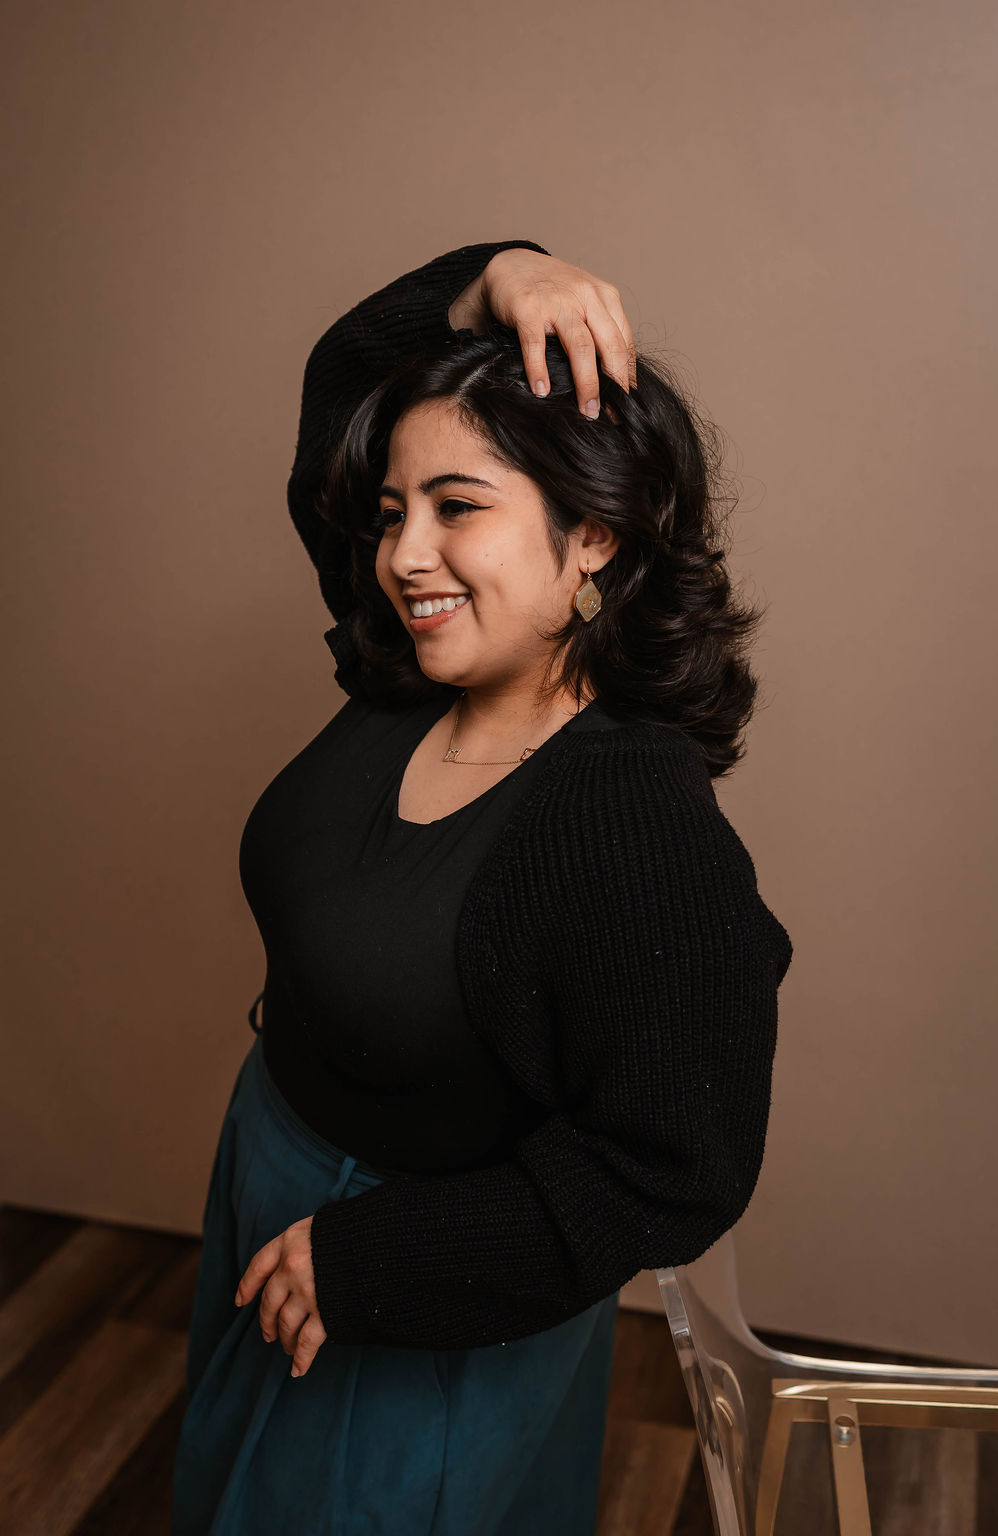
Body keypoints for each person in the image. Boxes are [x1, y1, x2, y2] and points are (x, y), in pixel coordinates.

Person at [170, 239, 794, 1535]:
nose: (406, 556)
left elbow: (679, 1164)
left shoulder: (631, 823)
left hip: (412, 1280)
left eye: (458, 507)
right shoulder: (405, 666)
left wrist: (375, 1260)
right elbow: (343, 387)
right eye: (394, 513)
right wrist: (496, 272)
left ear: (594, 535)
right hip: (270, 1181)